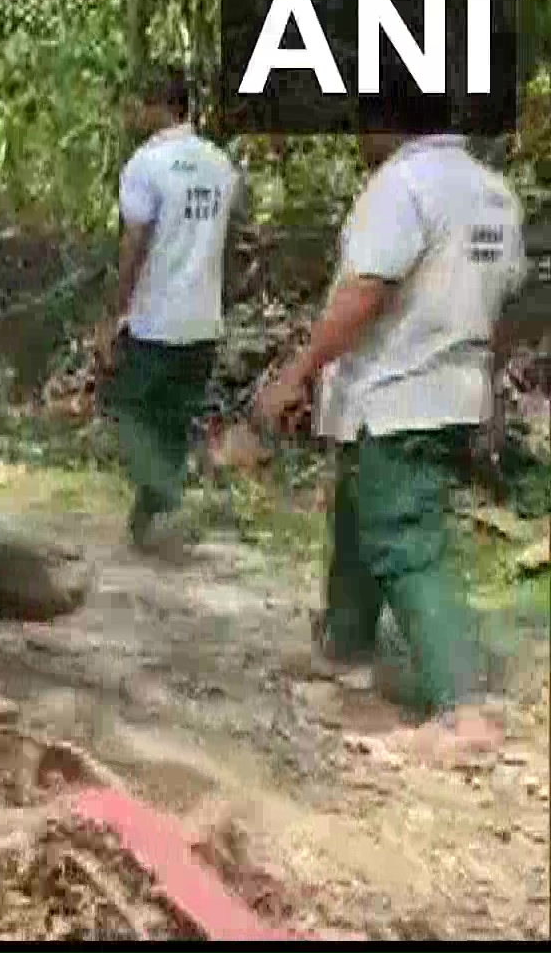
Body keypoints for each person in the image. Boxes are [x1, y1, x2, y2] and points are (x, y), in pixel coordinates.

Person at [254, 125, 526, 762]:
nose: (355, 136)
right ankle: (345, 646)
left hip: (398, 390)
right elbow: (504, 307)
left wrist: (298, 373)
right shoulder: (494, 195)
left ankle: (463, 707)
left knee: (405, 542)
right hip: (447, 389)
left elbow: (364, 293)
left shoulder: (403, 185)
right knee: (355, 512)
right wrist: (485, 381)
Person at [94, 66, 244, 553]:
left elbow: (134, 244)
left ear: (159, 106)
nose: (131, 114)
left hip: (155, 319)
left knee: (130, 410)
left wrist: (114, 315)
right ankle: (149, 523)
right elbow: (226, 241)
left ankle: (162, 497)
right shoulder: (220, 164)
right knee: (173, 422)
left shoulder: (146, 165)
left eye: (137, 104)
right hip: (202, 320)